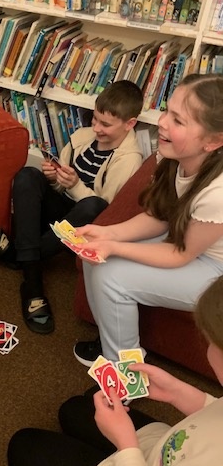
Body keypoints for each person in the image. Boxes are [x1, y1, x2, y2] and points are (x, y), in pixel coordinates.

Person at [7, 274, 223, 466]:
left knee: (24, 445)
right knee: (74, 409)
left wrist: (126, 445)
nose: (206, 345)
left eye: (212, 342)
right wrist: (180, 394)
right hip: (166, 454)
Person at [73, 72, 223, 366]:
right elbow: (159, 216)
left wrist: (114, 247)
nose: (162, 122)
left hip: (214, 267)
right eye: (167, 111)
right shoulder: (172, 154)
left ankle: (126, 370)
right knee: (95, 257)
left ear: (213, 141)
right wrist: (108, 234)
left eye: (178, 121)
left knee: (111, 277)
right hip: (186, 240)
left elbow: (181, 253)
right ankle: (114, 344)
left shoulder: (218, 192)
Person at [0, 80, 143, 334]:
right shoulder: (82, 137)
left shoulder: (130, 160)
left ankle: (27, 274)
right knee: (28, 175)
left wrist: (75, 185)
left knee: (92, 206)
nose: (96, 128)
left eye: (105, 124)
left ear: (129, 124)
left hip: (85, 225)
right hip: (60, 213)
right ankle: (27, 262)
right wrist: (54, 178)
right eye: (95, 119)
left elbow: (106, 211)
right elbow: (59, 186)